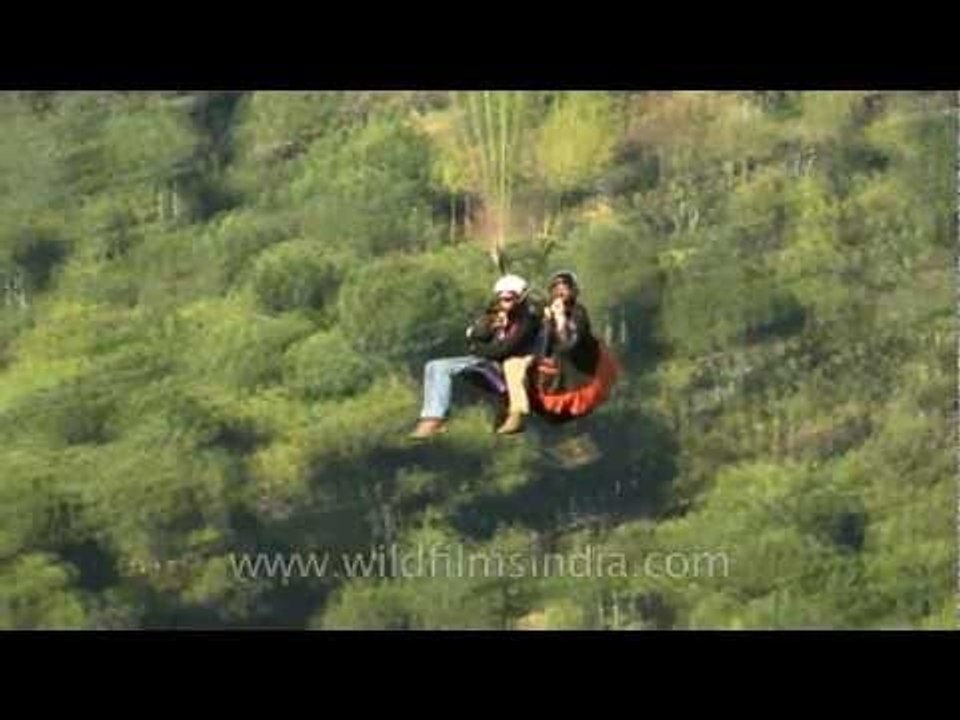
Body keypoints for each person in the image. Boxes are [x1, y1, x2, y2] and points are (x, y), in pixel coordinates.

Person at [409, 274, 541, 439]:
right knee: (435, 366)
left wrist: (479, 348)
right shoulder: (496, 316)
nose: (504, 302)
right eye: (501, 299)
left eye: (509, 298)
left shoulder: (528, 320)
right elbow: (475, 336)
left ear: (521, 298)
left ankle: (513, 416)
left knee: (505, 363)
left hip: (506, 370)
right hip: (487, 365)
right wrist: (490, 325)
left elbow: (504, 350)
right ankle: (433, 418)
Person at [529, 270, 618, 421]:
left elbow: (571, 344)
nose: (560, 290)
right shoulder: (546, 312)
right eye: (556, 287)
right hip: (553, 379)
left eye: (565, 287)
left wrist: (560, 319)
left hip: (578, 377)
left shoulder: (578, 313)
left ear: (574, 291)